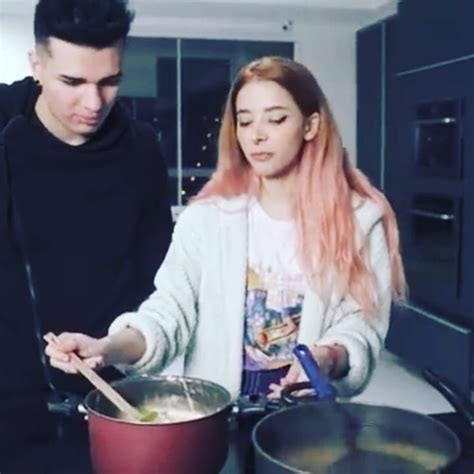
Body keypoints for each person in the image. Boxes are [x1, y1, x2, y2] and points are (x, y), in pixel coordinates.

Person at [46, 56, 405, 404]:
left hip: (305, 413)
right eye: (245, 121)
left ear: (310, 126)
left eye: (276, 119)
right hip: (214, 409)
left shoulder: (360, 220)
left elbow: (361, 324)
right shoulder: (206, 218)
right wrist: (105, 349)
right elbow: (168, 312)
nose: (257, 136)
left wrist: (325, 358)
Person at [0, 0, 172, 466]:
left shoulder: (142, 151)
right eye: (72, 82)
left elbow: (157, 287)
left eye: (110, 81)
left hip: (111, 405)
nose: (93, 103)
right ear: (37, 64)